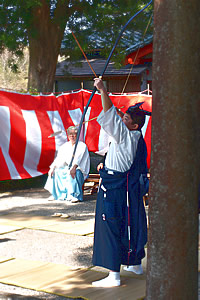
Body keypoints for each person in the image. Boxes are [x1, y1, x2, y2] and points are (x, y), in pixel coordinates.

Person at [92, 78, 150, 287]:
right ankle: (134, 264)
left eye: (125, 118)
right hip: (125, 186)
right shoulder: (135, 137)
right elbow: (113, 118)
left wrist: (103, 90)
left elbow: (109, 116)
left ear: (134, 125)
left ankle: (113, 275)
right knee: (131, 221)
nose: (121, 119)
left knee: (111, 225)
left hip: (116, 188)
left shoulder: (126, 135)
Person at [44, 126, 90, 203]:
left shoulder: (82, 145)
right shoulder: (64, 146)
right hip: (67, 167)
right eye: (70, 134)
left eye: (74, 134)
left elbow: (79, 159)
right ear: (68, 136)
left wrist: (74, 168)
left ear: (77, 135)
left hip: (78, 168)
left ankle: (74, 195)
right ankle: (56, 195)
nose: (72, 136)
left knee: (75, 172)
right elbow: (59, 159)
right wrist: (52, 168)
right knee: (56, 171)